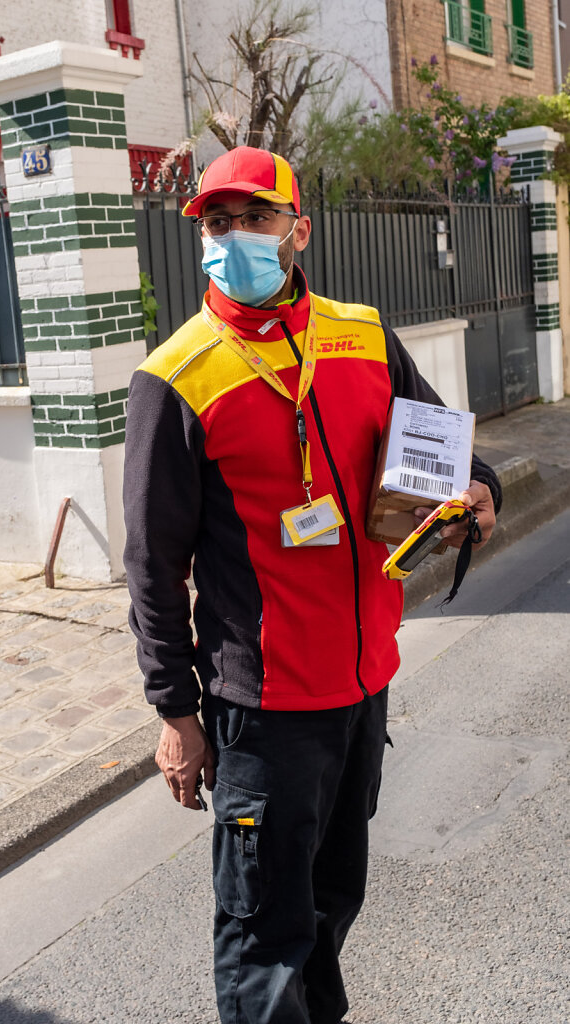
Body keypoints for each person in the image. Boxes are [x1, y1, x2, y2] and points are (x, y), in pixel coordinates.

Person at [123, 146, 500, 1024]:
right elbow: (151, 568)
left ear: (299, 229)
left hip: (362, 687)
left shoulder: (362, 335)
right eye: (217, 224)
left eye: (255, 218)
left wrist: (476, 486)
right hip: (262, 708)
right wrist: (177, 717)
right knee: (265, 940)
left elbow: (438, 443)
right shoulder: (176, 376)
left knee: (330, 908)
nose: (234, 238)